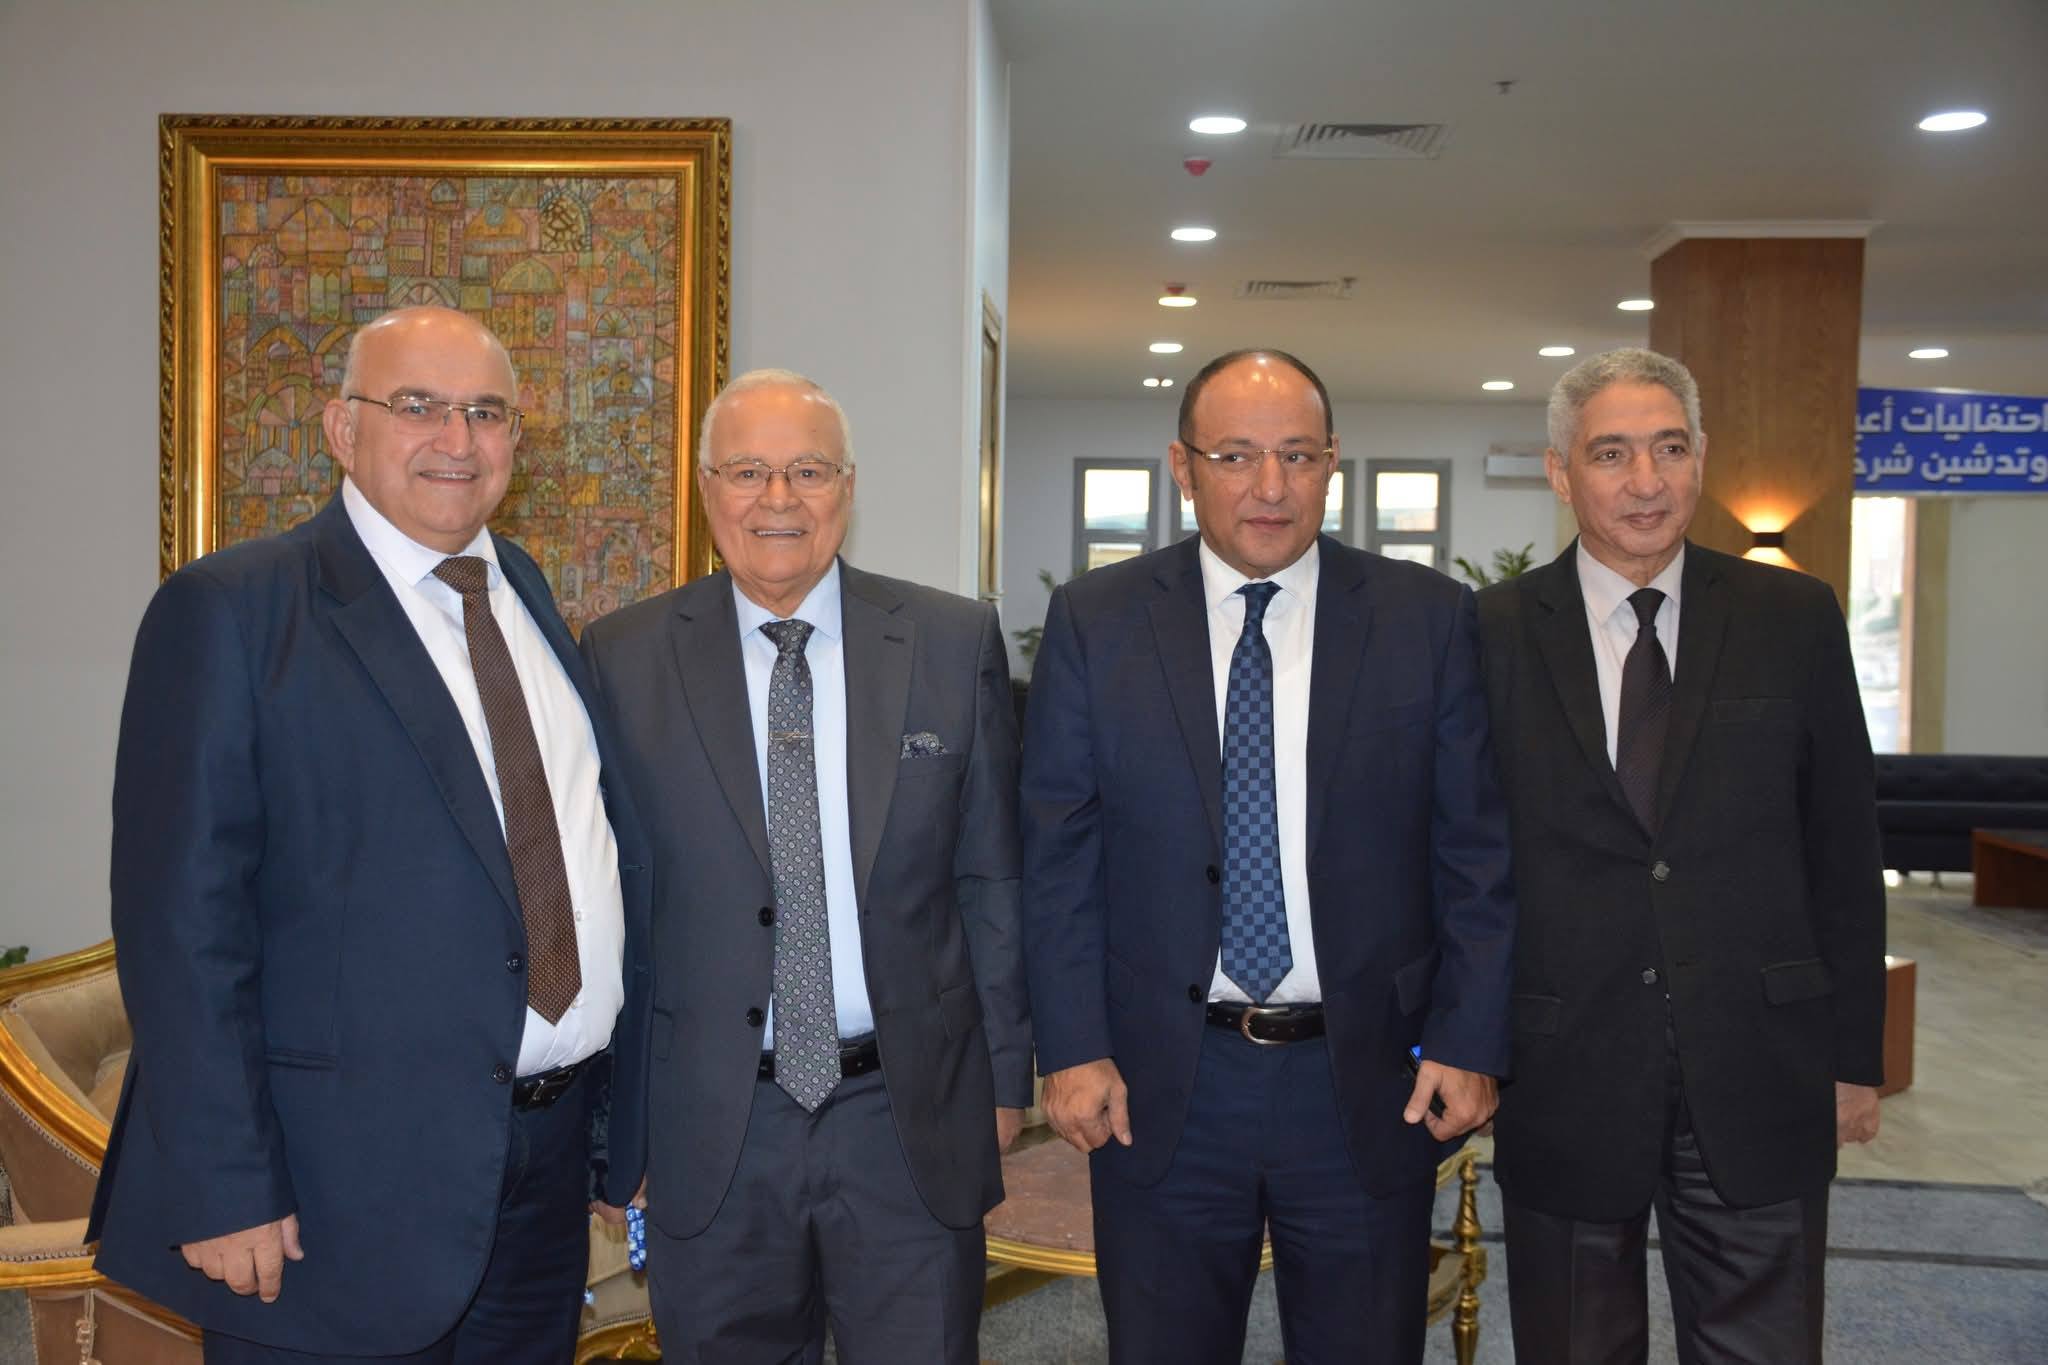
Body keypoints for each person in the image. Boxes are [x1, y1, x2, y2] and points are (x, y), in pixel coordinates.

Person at [87, 305, 651, 1363]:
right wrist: (224, 1183)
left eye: (486, 411)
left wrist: (609, 1136)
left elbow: (569, 856)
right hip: (328, 1201)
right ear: (342, 429)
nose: (457, 438)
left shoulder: (524, 591)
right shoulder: (233, 610)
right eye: (418, 405)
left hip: (538, 1183)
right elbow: (182, 927)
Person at [1019, 349, 1515, 1363]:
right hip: (1162, 1083)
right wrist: (1069, 1047)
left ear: (1332, 462)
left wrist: (1468, 1039)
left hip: (1363, 1080)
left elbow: (1473, 851)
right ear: (1182, 466)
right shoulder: (1096, 621)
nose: (1270, 485)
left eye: (1297, 454)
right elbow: (1059, 854)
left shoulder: (1424, 619)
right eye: (1236, 455)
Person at [580, 368, 1030, 1363]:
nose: (777, 499)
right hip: (712, 1123)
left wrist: (1005, 1081)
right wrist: (621, 1130)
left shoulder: (949, 642)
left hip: (905, 1114)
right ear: (706, 489)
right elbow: (612, 912)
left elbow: (988, 879)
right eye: (747, 471)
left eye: (808, 471)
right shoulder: (622, 657)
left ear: (848, 488)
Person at [1477, 347, 1885, 1363]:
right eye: (1610, 453)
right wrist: (1460, 1042)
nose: (1645, 481)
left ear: (1700, 458)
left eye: (1668, 448)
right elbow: (1464, 862)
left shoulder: (1794, 618)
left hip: (1761, 1065)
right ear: (1559, 472)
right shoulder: (1488, 633)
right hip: (1562, 1068)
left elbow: (1842, 847)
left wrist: (1853, 1057)